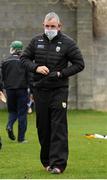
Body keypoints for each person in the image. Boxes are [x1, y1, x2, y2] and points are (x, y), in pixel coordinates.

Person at [21, 12, 85, 173]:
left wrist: (61, 74)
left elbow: (79, 64)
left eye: (53, 26)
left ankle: (58, 164)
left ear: (59, 26)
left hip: (59, 90)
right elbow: (24, 59)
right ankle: (47, 161)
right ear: (43, 25)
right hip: (40, 90)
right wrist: (36, 67)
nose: (50, 29)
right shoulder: (36, 41)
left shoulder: (68, 43)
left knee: (58, 127)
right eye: (47, 26)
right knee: (43, 127)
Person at [0, 41, 28, 143]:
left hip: (10, 90)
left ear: (12, 48)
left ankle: (9, 125)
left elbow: (1, 77)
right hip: (22, 90)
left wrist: (1, 89)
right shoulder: (24, 61)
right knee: (22, 114)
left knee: (12, 111)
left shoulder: (5, 61)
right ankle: (21, 138)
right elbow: (29, 76)